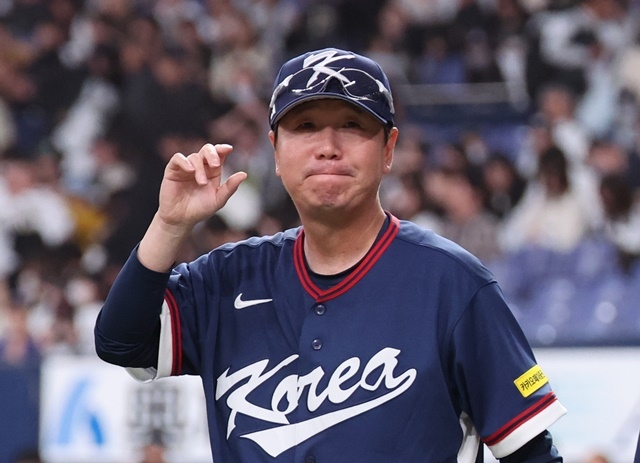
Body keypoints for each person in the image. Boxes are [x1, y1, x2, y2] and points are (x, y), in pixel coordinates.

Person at [94, 47, 566, 462]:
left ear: (388, 149)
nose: (328, 147)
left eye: (352, 125)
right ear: (276, 152)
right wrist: (170, 224)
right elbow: (120, 343)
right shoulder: (228, 279)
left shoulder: (454, 283)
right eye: (305, 126)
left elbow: (531, 452)